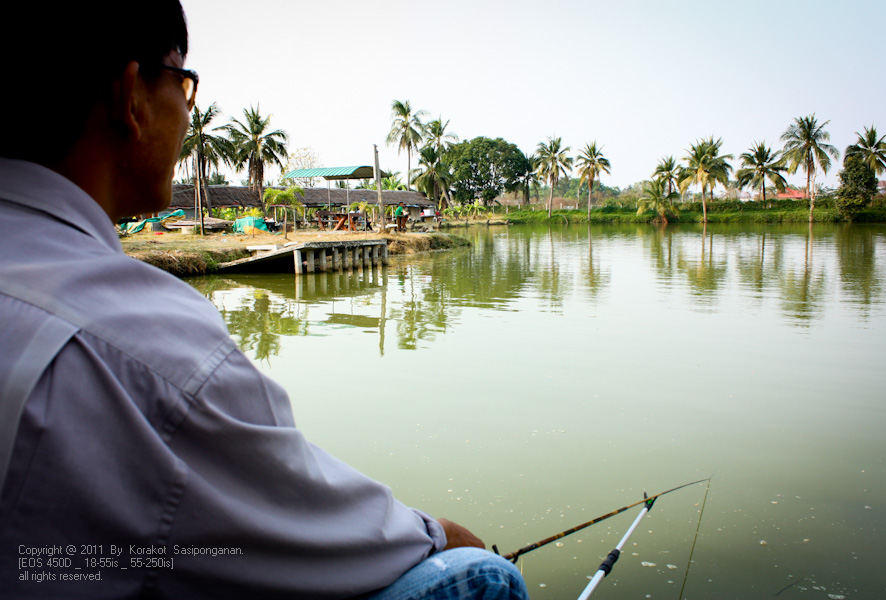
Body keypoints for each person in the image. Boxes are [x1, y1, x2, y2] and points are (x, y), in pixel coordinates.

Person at [0, 2, 527, 599]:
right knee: (483, 577)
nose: (184, 106)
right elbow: (324, 529)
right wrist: (443, 536)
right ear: (131, 95)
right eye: (184, 82)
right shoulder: (145, 341)